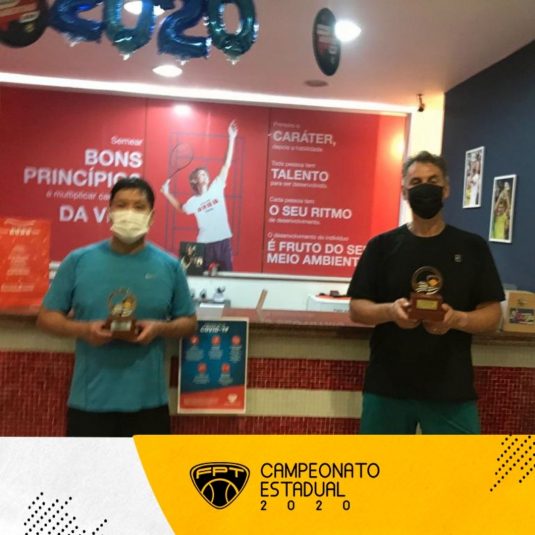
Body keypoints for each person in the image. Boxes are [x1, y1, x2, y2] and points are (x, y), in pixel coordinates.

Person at [347, 151, 504, 434]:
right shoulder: (381, 247)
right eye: (416, 182)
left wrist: (456, 319)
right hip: (388, 387)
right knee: (380, 464)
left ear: (446, 189)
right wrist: (390, 312)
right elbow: (357, 309)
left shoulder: (472, 247)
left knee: (461, 464)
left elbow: (493, 315)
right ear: (404, 192)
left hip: (451, 388)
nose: (425, 188)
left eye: (433, 181)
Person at [37, 178, 197, 437]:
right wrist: (84, 330)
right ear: (109, 211)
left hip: (149, 405)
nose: (129, 212)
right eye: (121, 205)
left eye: (139, 206)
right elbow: (46, 318)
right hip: (89, 403)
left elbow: (189, 322)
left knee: (145, 467)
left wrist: (159, 329)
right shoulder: (78, 261)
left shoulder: (170, 267)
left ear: (152, 216)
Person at [161, 120, 238, 271]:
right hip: (203, 244)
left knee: (228, 278)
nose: (205, 176)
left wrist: (232, 138)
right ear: (194, 180)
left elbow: (226, 164)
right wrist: (166, 193)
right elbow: (181, 208)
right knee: (192, 275)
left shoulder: (216, 187)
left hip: (223, 241)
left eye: (206, 174)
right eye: (201, 174)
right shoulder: (193, 202)